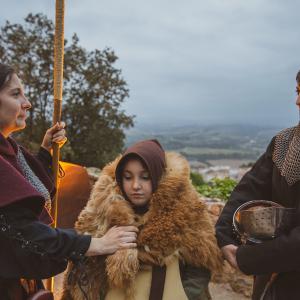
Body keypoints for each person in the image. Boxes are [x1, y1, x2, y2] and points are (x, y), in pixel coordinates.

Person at [0, 63, 138, 300]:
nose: (27, 103)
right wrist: (95, 244)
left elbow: (23, 188)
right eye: (15, 94)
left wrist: (46, 152)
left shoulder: (9, 147)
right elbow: (22, 230)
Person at [61, 139, 223, 300]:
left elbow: (201, 267)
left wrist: (182, 295)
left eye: (145, 177)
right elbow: (84, 269)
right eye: (128, 177)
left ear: (158, 176)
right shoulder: (101, 213)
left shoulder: (187, 212)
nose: (135, 186)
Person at [215, 71, 300, 300]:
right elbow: (249, 188)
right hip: (271, 283)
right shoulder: (284, 142)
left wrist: (249, 258)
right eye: (298, 92)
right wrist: (225, 235)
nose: (298, 101)